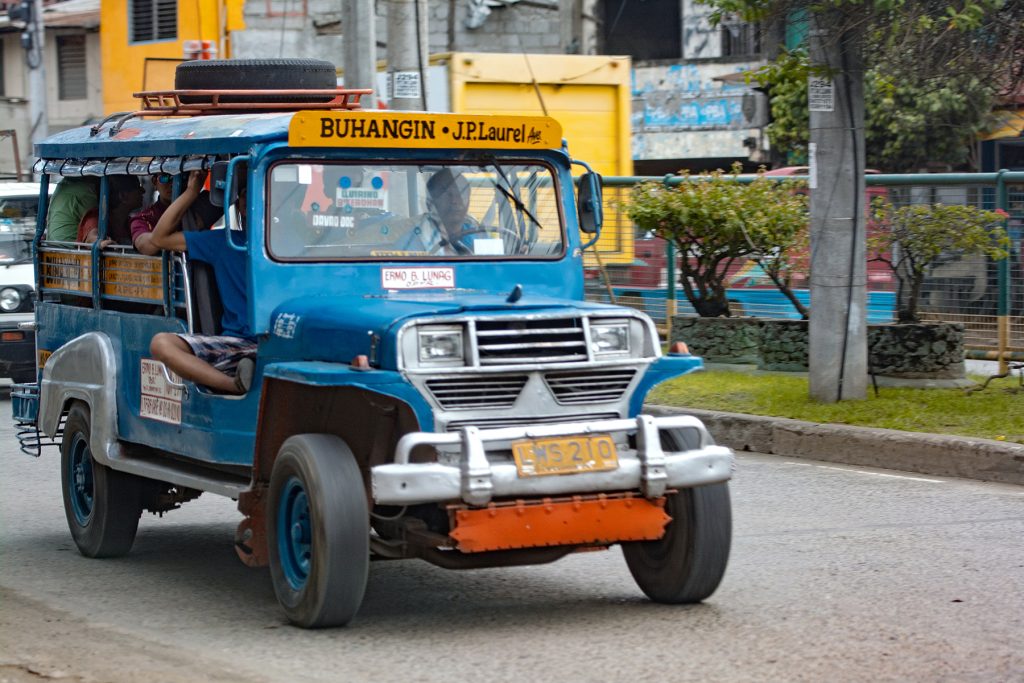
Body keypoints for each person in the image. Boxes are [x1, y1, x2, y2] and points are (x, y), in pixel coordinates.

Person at [148, 170, 255, 395]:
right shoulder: (225, 241)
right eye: (246, 193)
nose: (252, 200)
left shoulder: (302, 247)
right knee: (161, 344)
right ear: (239, 200)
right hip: (237, 344)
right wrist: (191, 192)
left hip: (285, 344)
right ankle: (233, 385)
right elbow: (160, 238)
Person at [76, 175, 145, 246]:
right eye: (138, 187)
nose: (143, 191)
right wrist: (101, 243)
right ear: (123, 196)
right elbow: (91, 238)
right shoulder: (96, 217)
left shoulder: (129, 222)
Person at [131, 174, 175, 255]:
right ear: (155, 182)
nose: (173, 184)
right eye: (165, 178)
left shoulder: (197, 210)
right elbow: (144, 245)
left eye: (182, 177)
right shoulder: (144, 218)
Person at [46, 176, 100, 242]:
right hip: (70, 248)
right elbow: (93, 224)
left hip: (54, 246)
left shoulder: (63, 185)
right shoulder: (84, 191)